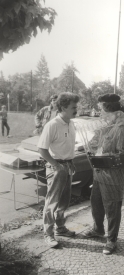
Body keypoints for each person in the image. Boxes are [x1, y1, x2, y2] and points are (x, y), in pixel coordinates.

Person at [82, 93, 124, 255]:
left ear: (108, 109)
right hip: (100, 171)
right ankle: (98, 229)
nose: (99, 112)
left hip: (112, 174)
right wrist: (90, 145)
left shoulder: (122, 127)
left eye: (101, 108)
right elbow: (96, 141)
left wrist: (106, 151)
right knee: (96, 202)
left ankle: (112, 239)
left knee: (112, 207)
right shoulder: (107, 124)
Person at [37, 92, 80, 248]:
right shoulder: (52, 125)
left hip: (68, 166)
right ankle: (48, 234)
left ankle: (60, 228)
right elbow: (42, 149)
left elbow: (67, 145)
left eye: (76, 106)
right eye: (73, 107)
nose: (76, 109)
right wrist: (56, 165)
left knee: (64, 201)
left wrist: (70, 161)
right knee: (52, 202)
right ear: (62, 107)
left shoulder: (71, 123)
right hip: (56, 167)